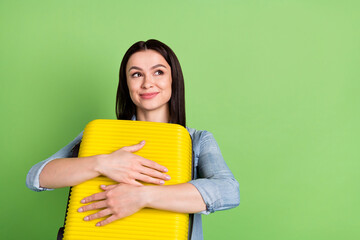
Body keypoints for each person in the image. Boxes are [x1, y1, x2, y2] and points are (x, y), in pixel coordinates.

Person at [26, 39, 240, 240]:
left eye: (158, 72)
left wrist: (142, 196)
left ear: (173, 79)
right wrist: (103, 163)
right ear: (126, 84)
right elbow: (36, 177)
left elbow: (229, 191)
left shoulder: (197, 140)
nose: (148, 83)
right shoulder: (99, 135)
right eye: (136, 74)